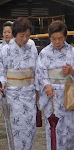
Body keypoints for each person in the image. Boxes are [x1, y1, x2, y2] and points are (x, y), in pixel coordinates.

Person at [0, 17, 38, 150]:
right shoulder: (3, 50)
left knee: (30, 128)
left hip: (29, 94)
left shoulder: (31, 47)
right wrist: (1, 82)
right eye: (22, 36)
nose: (25, 39)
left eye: (27, 35)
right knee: (15, 129)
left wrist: (38, 90)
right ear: (14, 34)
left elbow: (37, 70)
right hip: (13, 95)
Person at [35, 20, 74, 150]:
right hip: (52, 96)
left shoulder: (72, 51)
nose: (57, 42)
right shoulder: (45, 53)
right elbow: (40, 73)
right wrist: (46, 85)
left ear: (65, 36)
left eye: (60, 38)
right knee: (53, 130)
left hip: (69, 96)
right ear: (49, 37)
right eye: (53, 38)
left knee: (69, 131)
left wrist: (71, 72)